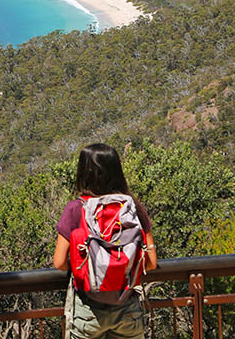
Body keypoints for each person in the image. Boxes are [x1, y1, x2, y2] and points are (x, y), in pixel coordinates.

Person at [53, 143, 157, 339]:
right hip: (128, 309)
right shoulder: (132, 207)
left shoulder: (76, 208)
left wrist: (86, 265)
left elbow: (59, 262)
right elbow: (151, 263)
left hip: (88, 312)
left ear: (85, 172)